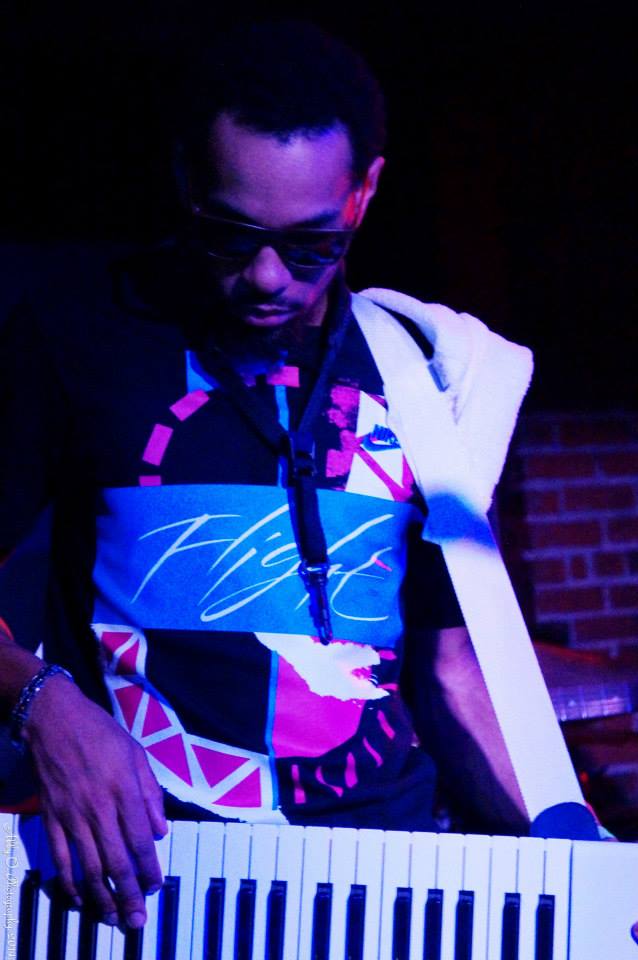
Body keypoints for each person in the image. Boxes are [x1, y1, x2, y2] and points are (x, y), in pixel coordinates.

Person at [0, 19, 536, 930]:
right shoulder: (73, 338)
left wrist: (588, 852)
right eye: (229, 236)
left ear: (364, 193)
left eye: (312, 245)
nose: (266, 278)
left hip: (388, 882)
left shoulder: (422, 368)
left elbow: (453, 677)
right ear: (186, 179)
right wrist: (40, 703)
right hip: (161, 881)